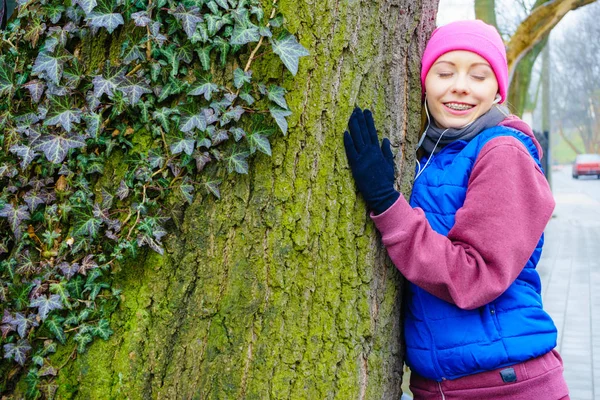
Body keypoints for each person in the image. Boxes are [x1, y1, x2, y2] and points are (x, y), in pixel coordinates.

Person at [343, 20, 569, 399]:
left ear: (497, 90)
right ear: (425, 82)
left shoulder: (503, 152)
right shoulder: (433, 154)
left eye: (479, 76)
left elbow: (474, 275)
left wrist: (386, 202)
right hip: (442, 387)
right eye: (445, 72)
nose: (460, 85)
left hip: (507, 384)